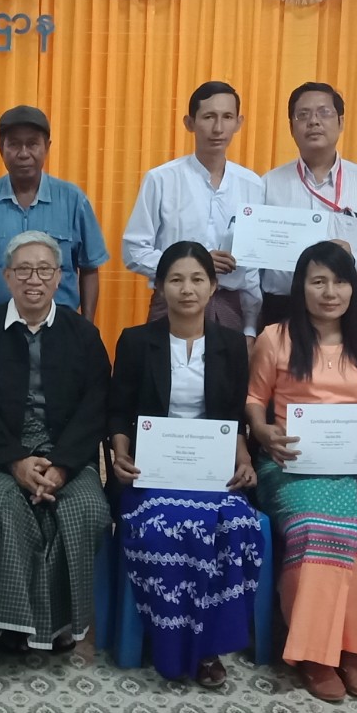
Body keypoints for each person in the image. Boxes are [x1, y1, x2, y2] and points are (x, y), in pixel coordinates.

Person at [107, 240, 262, 688]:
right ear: (159, 287)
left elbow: (233, 416)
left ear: (214, 287)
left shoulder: (232, 345)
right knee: (163, 526)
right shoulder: (137, 341)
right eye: (175, 279)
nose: (186, 289)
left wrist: (245, 459)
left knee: (238, 527)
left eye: (197, 279)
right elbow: (118, 411)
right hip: (150, 472)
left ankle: (209, 644)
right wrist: (119, 454)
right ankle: (168, 636)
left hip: (212, 472)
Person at [247, 241, 357, 702]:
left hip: (355, 468)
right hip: (291, 464)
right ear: (301, 286)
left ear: (354, 287)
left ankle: (351, 648)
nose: (330, 292)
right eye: (318, 281)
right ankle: (315, 652)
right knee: (320, 529)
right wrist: (264, 432)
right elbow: (253, 399)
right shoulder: (276, 337)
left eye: (340, 281)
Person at [0, 231, 111, 653]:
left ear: (59, 276)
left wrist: (61, 466)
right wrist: (16, 462)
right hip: (2, 452)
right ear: (6, 277)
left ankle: (63, 624)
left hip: (68, 452)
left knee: (86, 510)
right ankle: (13, 624)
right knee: (2, 506)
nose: (34, 279)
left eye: (45, 269)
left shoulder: (83, 333)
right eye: (23, 269)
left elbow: (95, 406)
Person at [121, 81, 264, 341]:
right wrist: (193, 266)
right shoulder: (161, 179)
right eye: (209, 117)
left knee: (225, 381)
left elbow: (252, 269)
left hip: (229, 305)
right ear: (189, 123)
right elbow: (134, 251)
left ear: (239, 123)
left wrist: (251, 329)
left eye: (227, 117)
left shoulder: (253, 185)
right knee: (164, 379)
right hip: (172, 302)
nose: (218, 128)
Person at [0, 106, 109, 322]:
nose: (24, 153)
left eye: (32, 144)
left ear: (47, 147)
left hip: (60, 328)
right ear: (0, 149)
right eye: (14, 144)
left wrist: (86, 328)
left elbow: (89, 268)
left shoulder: (73, 200)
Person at [260, 83, 357, 327]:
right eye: (303, 115)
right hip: (282, 308)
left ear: (341, 122)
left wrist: (352, 259)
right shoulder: (268, 184)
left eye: (324, 113)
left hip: (346, 308)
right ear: (291, 127)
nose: (313, 121)